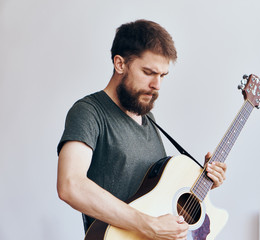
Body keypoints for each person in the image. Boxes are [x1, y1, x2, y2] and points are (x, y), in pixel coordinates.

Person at [57, 19, 227, 240]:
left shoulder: (148, 120)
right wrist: (147, 225)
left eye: (162, 76)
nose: (157, 85)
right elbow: (70, 185)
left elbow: (156, 201)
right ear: (120, 64)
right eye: (148, 72)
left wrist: (204, 184)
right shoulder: (89, 112)